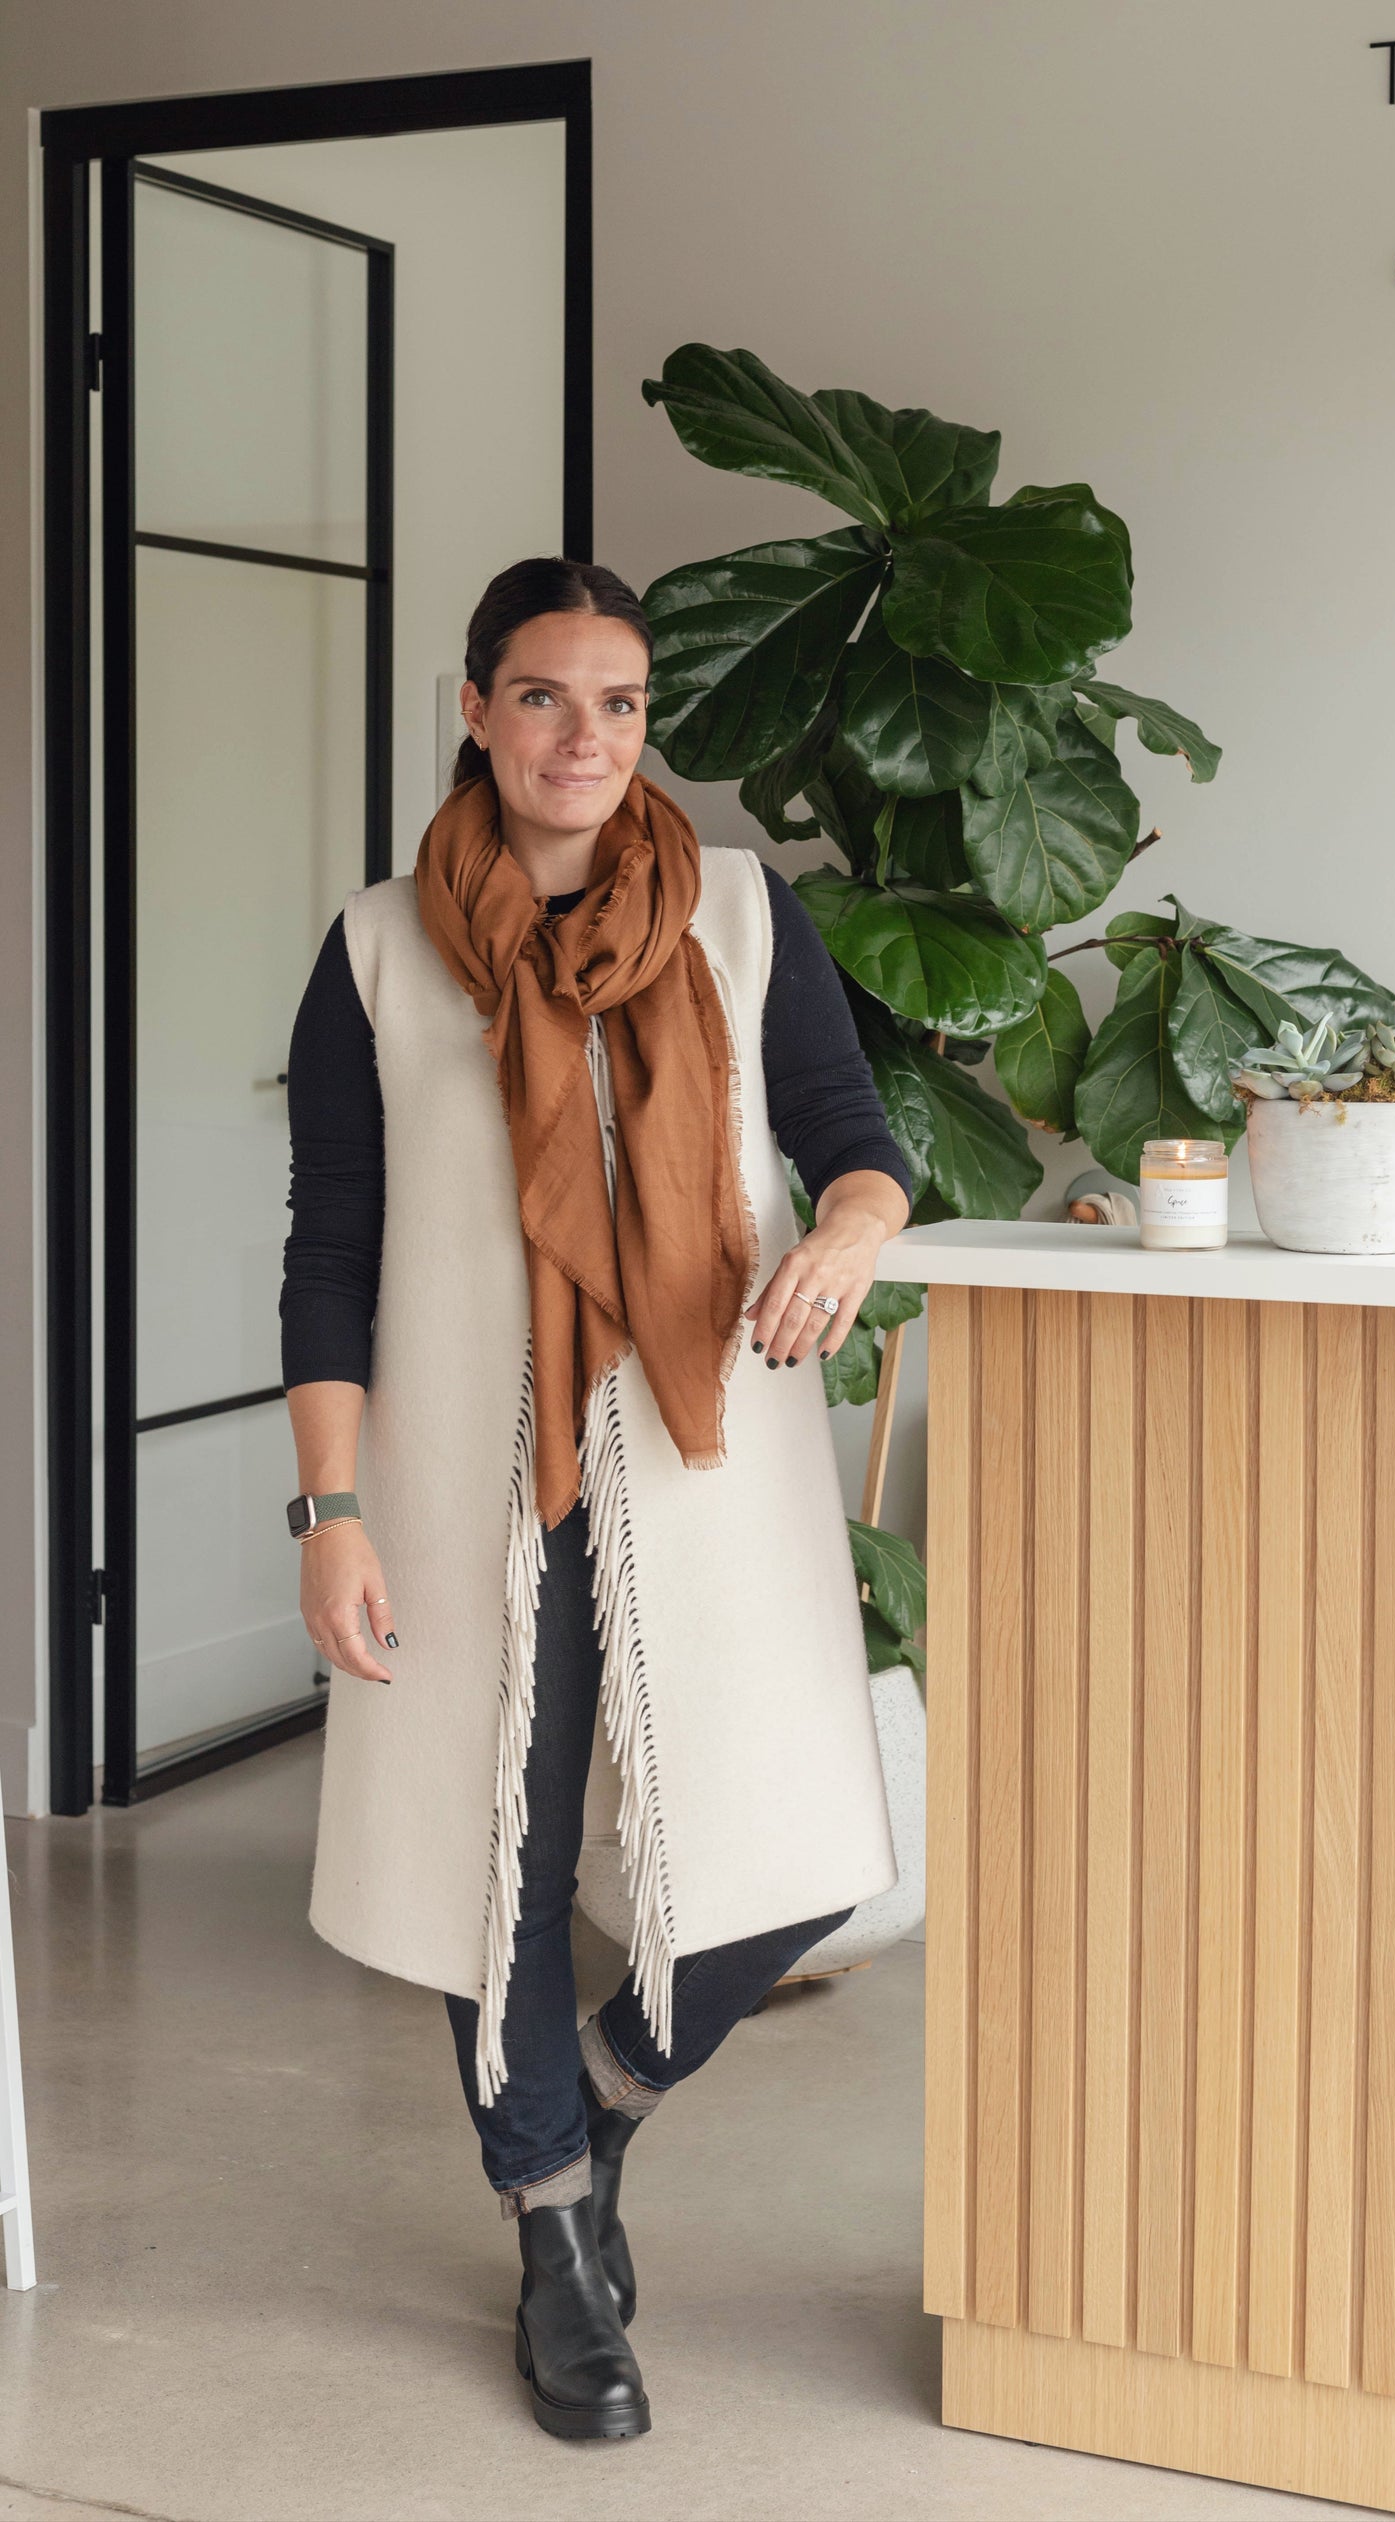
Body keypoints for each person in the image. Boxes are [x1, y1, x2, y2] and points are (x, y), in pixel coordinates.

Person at [279, 555, 911, 2442]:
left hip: (710, 1482)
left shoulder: (734, 914)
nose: (583, 736)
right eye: (543, 696)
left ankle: (603, 2103)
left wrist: (854, 1240)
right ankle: (556, 2243)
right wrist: (330, 1511)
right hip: (465, 1488)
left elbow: (852, 1145)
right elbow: (331, 1247)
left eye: (619, 702)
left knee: (793, 1856)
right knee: (498, 1872)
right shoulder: (382, 947)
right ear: (475, 709)